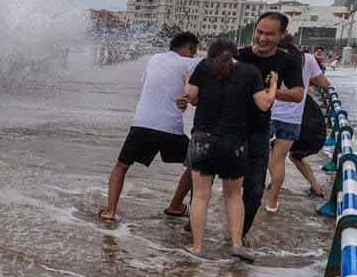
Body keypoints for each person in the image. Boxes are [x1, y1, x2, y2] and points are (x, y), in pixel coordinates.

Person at [181, 39, 278, 261]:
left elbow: (190, 96)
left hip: (202, 138)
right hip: (234, 141)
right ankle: (237, 244)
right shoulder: (250, 71)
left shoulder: (204, 67)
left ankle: (197, 246)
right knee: (234, 195)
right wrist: (273, 84)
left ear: (211, 54)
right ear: (236, 54)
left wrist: (187, 80)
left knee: (200, 195)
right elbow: (264, 104)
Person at [98, 32, 199, 222]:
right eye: (194, 51)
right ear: (186, 49)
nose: (194, 55)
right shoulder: (191, 64)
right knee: (198, 164)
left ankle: (110, 211)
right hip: (170, 127)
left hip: (142, 124)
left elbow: (155, 87)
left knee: (121, 166)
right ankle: (175, 206)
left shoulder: (154, 59)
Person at [234, 12, 304, 239]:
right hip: (227, 125)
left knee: (254, 188)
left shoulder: (287, 61)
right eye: (259, 32)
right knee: (202, 174)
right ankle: (191, 220)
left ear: (283, 35)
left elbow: (298, 94)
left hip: (259, 129)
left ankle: (239, 236)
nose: (262, 38)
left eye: (270, 34)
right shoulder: (239, 56)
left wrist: (270, 92)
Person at [266, 36, 330, 207]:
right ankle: (272, 201)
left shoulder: (272, 57)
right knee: (280, 159)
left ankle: (236, 189)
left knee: (256, 150)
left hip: (270, 113)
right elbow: (324, 83)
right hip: (294, 119)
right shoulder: (308, 59)